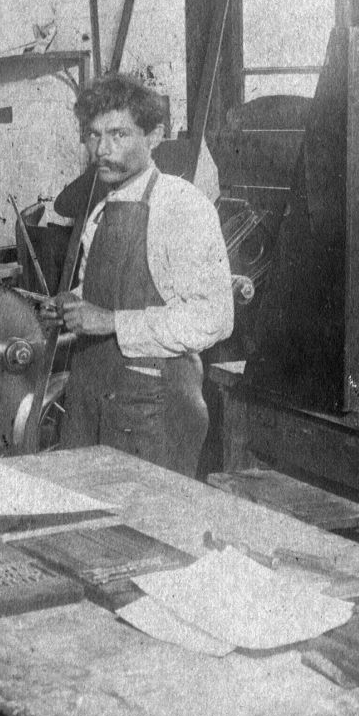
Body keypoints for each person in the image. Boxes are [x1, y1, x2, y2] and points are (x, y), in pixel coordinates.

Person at [54, 73, 236, 478]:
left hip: (150, 413)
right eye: (93, 135)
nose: (102, 149)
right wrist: (76, 304)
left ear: (153, 136)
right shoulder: (103, 207)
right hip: (90, 400)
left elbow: (214, 317)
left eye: (118, 134)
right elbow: (109, 289)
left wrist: (110, 321)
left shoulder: (181, 207)